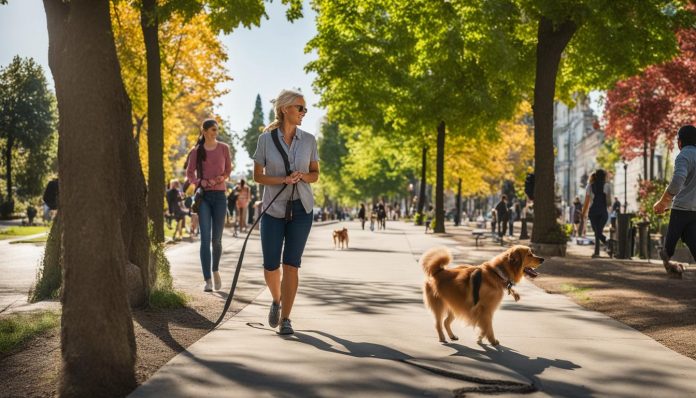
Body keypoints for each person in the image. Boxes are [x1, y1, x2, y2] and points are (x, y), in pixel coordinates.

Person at [253, 88, 319, 335]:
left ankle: (287, 319)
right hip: (273, 209)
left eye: (305, 109)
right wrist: (283, 180)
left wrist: (303, 176)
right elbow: (258, 176)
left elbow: (315, 174)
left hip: (302, 208)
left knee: (291, 264)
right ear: (285, 109)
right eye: (300, 108)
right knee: (271, 265)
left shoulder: (309, 140)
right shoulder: (265, 140)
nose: (304, 112)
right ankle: (276, 300)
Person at [186, 119, 232, 292]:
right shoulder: (196, 151)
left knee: (217, 240)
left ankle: (215, 270)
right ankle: (207, 280)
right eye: (213, 129)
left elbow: (228, 170)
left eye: (217, 130)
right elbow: (189, 173)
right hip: (204, 197)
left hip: (220, 196)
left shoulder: (224, 148)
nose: (215, 132)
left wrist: (220, 178)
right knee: (205, 239)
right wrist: (201, 182)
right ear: (204, 131)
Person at [654, 125, 696, 277]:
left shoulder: (683, 156)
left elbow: (678, 179)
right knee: (693, 241)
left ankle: (671, 267)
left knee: (668, 247)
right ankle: (673, 269)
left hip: (680, 209)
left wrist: (664, 201)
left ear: (680, 142)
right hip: (694, 210)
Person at [582, 170, 611, 258]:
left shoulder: (589, 186)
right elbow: (609, 201)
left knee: (597, 232)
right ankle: (607, 244)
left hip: (593, 212)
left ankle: (599, 250)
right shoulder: (606, 186)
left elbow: (586, 201)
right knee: (598, 232)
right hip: (603, 212)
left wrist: (583, 213)